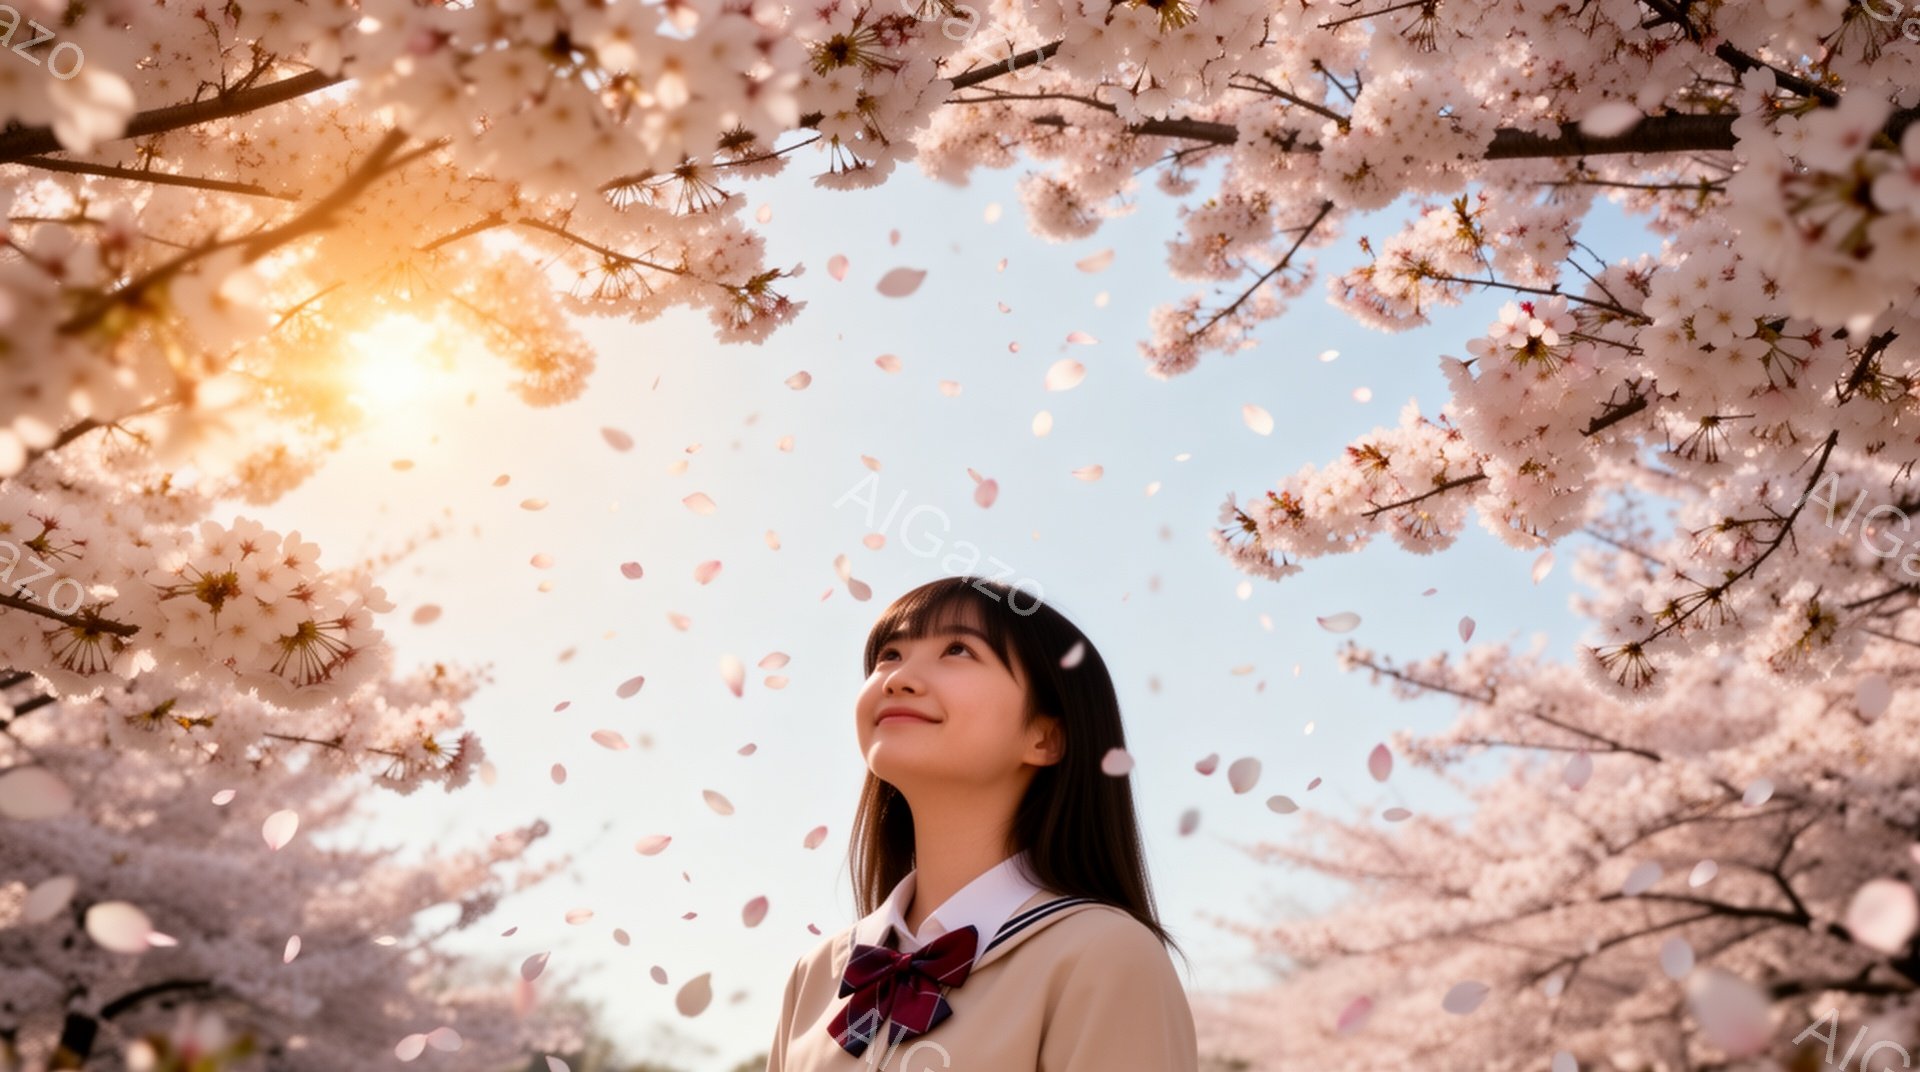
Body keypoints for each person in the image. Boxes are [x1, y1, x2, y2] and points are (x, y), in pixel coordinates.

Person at [762, 575, 1200, 1072]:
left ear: (1045, 737)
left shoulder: (1104, 954)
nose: (898, 678)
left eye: (957, 650)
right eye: (890, 654)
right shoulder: (817, 974)